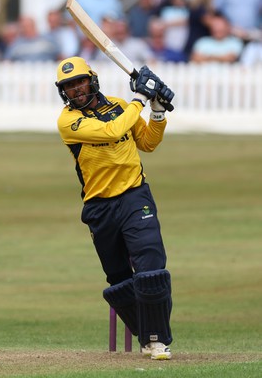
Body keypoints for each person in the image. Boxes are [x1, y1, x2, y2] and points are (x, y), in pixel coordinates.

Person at [56, 56, 174, 360]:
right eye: (69, 86)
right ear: (63, 91)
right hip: (99, 206)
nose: (76, 89)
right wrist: (141, 98)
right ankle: (145, 336)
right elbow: (110, 132)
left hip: (135, 195)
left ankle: (157, 339)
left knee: (150, 265)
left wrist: (157, 111)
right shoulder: (68, 121)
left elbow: (147, 143)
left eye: (80, 81)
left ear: (92, 80)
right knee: (120, 278)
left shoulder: (121, 106)